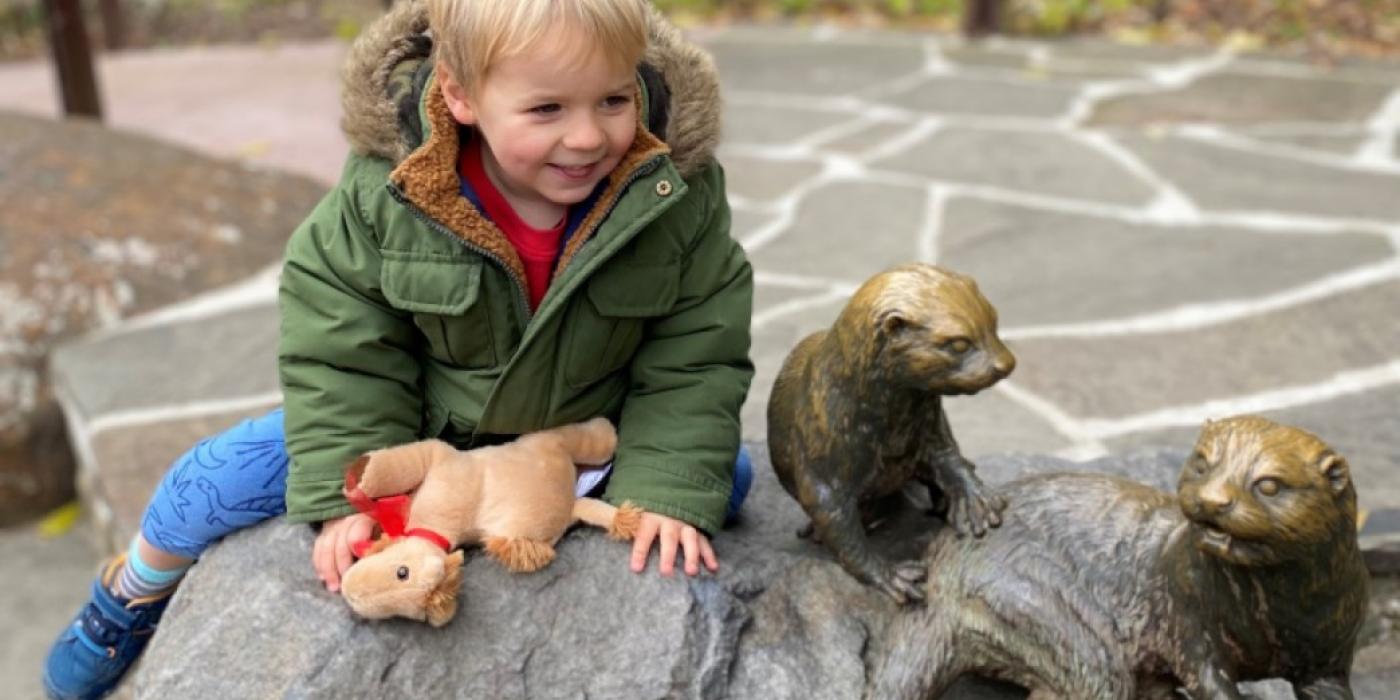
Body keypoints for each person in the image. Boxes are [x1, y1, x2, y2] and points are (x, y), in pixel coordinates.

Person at [43, 1, 752, 697]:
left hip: (578, 436)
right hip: (420, 432)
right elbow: (342, 347)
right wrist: (347, 492)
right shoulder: (391, 192)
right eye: (547, 111)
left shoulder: (672, 194)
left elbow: (697, 349)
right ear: (460, 95)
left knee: (722, 476)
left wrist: (669, 484)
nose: (589, 137)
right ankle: (131, 594)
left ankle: (600, 489)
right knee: (217, 477)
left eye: (613, 99)